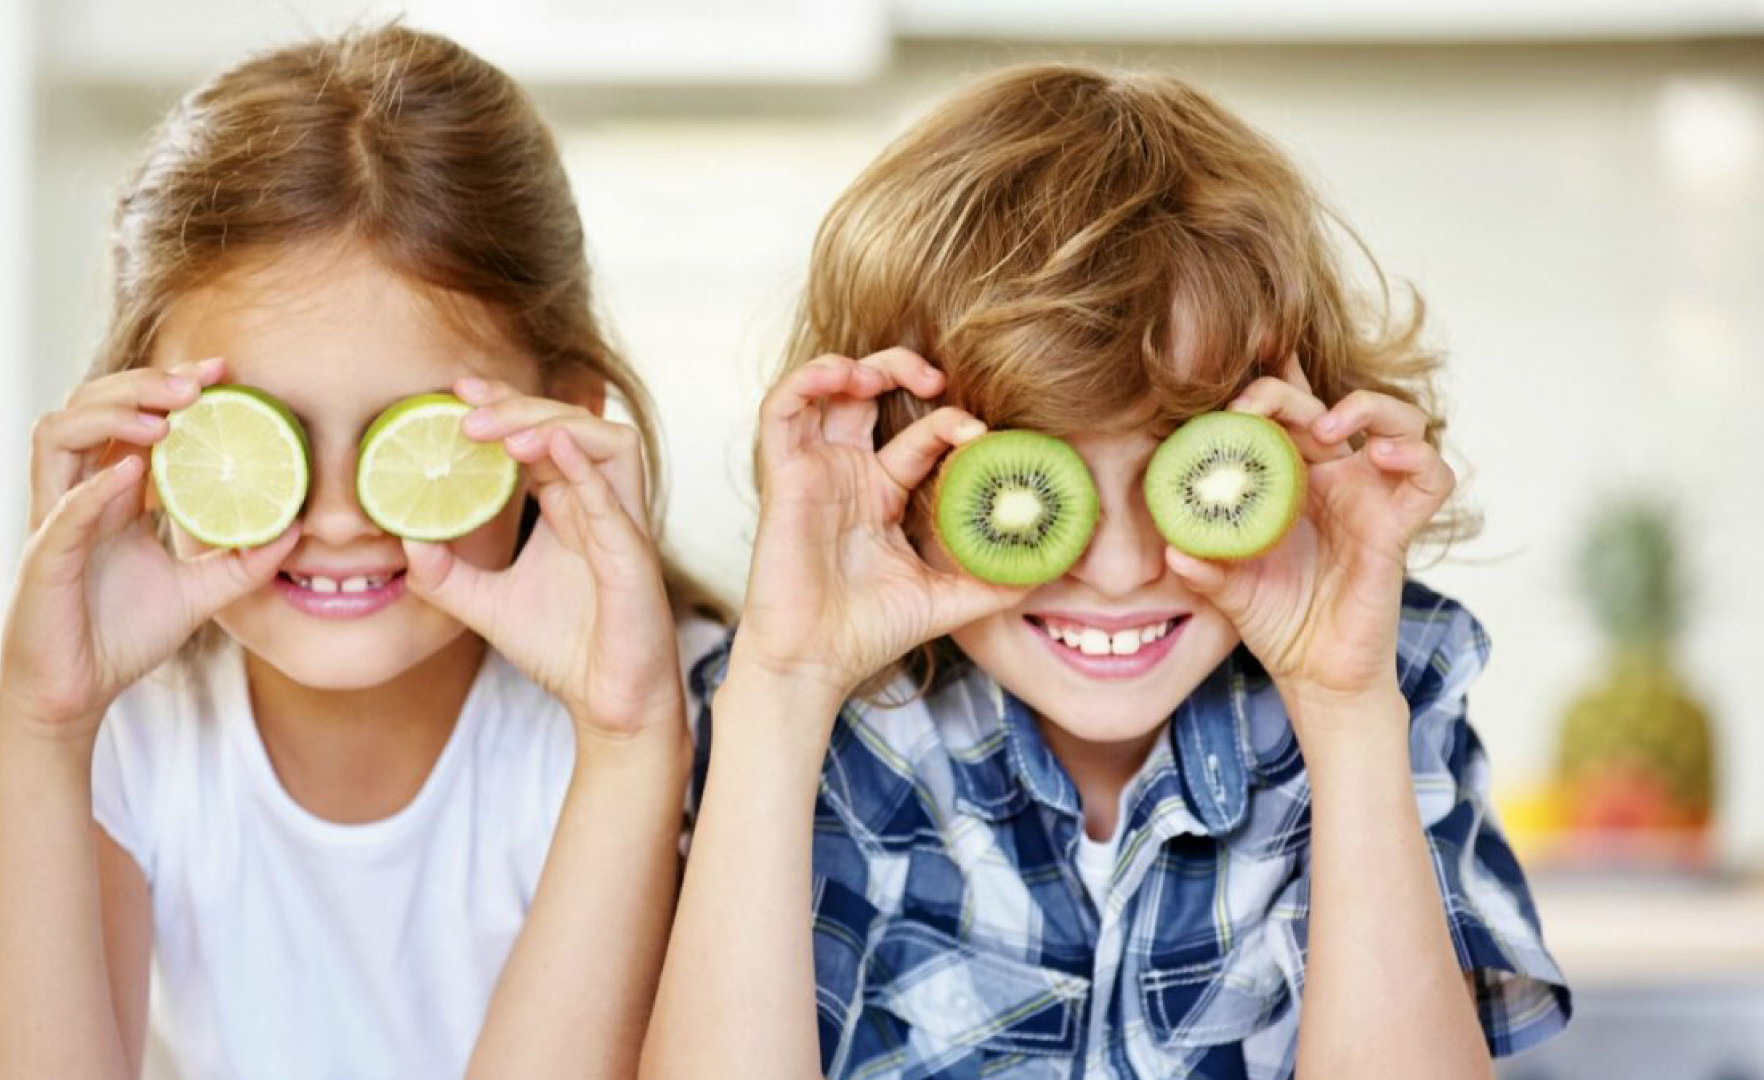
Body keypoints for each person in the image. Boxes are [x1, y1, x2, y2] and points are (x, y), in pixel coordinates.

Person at [646, 65, 1570, 1080]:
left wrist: (1346, 708)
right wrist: (783, 687)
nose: (1125, 568)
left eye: (1187, 465)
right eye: (1041, 479)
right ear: (901, 470)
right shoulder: (836, 724)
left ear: (1290, 459)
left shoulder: (1390, 676)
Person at [0, 25, 719, 1080]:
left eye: (415, 435)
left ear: (560, 424)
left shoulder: (690, 721)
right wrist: (40, 727)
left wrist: (629, 744)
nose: (339, 514)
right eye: (267, 434)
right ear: (146, 438)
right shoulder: (119, 728)